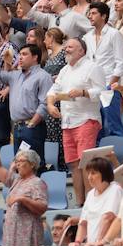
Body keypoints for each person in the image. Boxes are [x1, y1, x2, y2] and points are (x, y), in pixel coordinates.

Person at [46, 38, 105, 204]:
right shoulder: (64, 70)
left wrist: (83, 92)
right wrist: (50, 105)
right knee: (73, 164)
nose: (66, 49)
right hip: (67, 122)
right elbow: (53, 90)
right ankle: (80, 202)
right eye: (66, 47)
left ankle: (92, 201)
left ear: (82, 51)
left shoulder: (92, 67)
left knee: (86, 163)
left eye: (71, 47)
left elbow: (103, 92)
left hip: (86, 119)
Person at [72, 157, 123, 246]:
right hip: (93, 245)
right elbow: (83, 223)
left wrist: (98, 242)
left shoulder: (115, 189)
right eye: (88, 174)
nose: (89, 177)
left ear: (104, 174)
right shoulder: (91, 194)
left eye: (93, 173)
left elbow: (108, 218)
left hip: (108, 245)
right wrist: (77, 242)